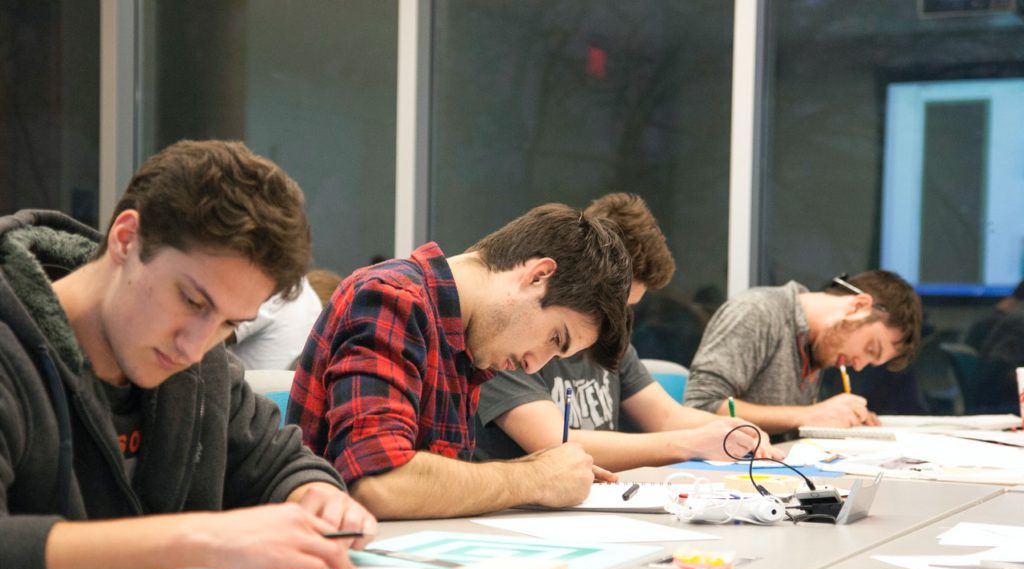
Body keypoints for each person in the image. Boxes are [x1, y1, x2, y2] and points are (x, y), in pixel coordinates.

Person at [0, 140, 375, 569]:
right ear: (125, 240)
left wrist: (317, 497)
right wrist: (201, 541)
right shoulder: (9, 346)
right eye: (193, 301)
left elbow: (279, 463)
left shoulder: (202, 367)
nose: (196, 347)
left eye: (228, 323)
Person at [288, 204, 633, 519]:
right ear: (538, 275)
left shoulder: (468, 340)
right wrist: (536, 478)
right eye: (555, 338)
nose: (534, 365)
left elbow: (430, 480)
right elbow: (379, 484)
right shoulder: (392, 298)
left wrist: (542, 467)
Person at [474, 192, 780, 470]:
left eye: (627, 309)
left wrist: (735, 432)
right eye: (612, 306)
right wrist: (689, 444)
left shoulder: (609, 345)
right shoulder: (512, 343)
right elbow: (555, 442)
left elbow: (666, 417)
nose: (615, 322)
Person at [684, 271, 922, 436]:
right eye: (870, 348)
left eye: (871, 362)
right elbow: (700, 407)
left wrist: (841, 419)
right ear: (859, 306)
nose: (859, 366)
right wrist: (811, 414)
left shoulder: (819, 345)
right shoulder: (758, 312)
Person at [227, 275, 323, 370]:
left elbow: (215, 336)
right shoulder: (312, 299)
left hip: (250, 383)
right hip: (277, 382)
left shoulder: (275, 293)